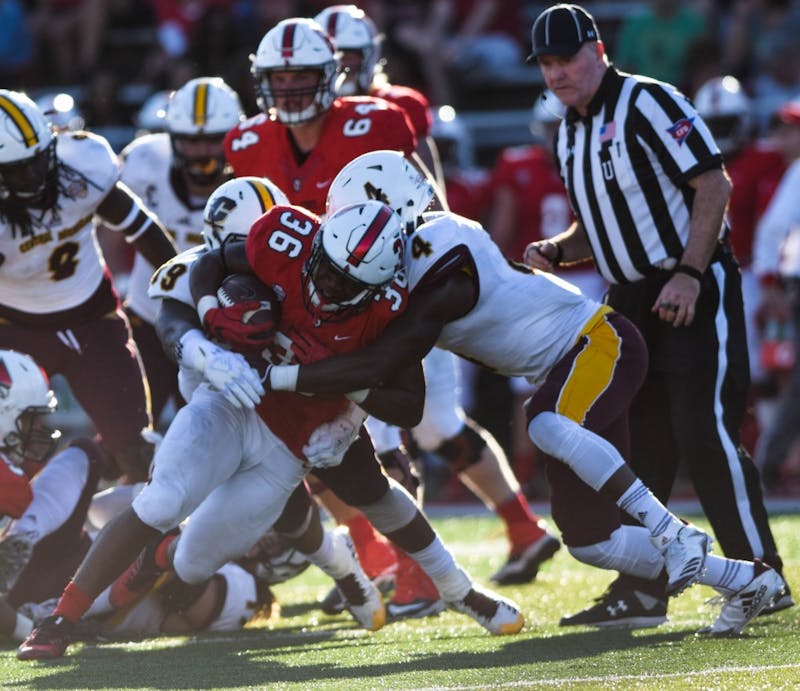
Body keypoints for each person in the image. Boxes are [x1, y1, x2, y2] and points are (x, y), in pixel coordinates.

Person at [259, 148, 786, 637]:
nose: (353, 243)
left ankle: (669, 528)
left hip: (600, 341)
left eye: (366, 226)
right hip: (565, 369)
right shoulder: (394, 272)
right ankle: (743, 580)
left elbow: (385, 361)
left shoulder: (444, 253)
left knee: (545, 423)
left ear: (397, 213)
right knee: (590, 540)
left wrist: (288, 378)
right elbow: (389, 375)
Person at [522, 3, 792, 627]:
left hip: (692, 282)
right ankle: (643, 591)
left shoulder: (648, 101)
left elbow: (713, 186)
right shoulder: (569, 130)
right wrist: (560, 250)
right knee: (635, 446)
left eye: (566, 59)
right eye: (547, 64)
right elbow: (600, 221)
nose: (557, 74)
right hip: (631, 301)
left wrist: (691, 274)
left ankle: (763, 573)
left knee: (706, 432)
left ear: (598, 50)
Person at [315, 5, 561, 594]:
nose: (344, 71)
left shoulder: (395, 109)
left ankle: (401, 565)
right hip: (351, 286)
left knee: (376, 429)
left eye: (351, 57)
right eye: (334, 61)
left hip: (397, 283)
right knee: (430, 426)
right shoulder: (299, 127)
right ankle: (518, 529)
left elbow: (428, 197)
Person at [0, 89, 178, 483]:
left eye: (37, 160)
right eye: (17, 169)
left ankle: (148, 543)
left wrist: (178, 283)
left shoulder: (80, 165)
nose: (34, 176)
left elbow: (142, 228)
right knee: (15, 456)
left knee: (135, 449)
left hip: (93, 319)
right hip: (14, 331)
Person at [116, 76, 245, 426]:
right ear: (172, 138)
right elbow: (108, 221)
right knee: (131, 427)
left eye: (212, 139)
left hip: (221, 324)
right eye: (191, 140)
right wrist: (118, 282)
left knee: (218, 427)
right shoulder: (144, 162)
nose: (202, 151)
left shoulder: (255, 176)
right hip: (149, 316)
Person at [224, 16, 417, 216]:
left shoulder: (376, 123)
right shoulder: (246, 142)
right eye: (279, 79)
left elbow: (427, 208)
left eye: (301, 77)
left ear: (328, 76)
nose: (289, 90)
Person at [752, 98, 800, 491]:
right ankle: (771, 462)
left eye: (792, 129)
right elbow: (772, 231)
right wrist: (773, 286)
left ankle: (772, 461)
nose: (785, 137)